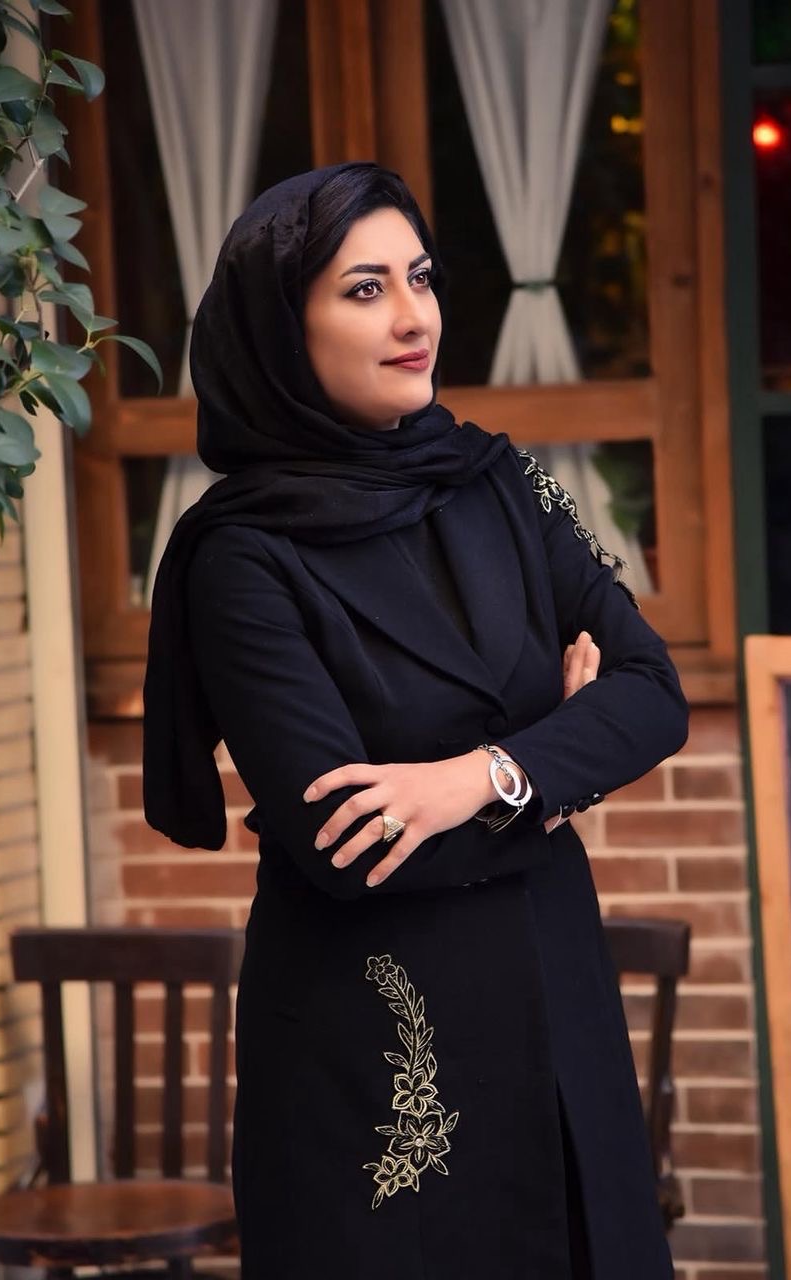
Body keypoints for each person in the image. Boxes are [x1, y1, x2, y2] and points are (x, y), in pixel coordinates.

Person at [143, 162, 688, 1280]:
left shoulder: (502, 482)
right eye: (365, 289)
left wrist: (476, 778)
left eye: (422, 278)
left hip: (557, 1010)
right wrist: (559, 766)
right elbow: (346, 844)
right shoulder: (241, 559)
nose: (413, 317)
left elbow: (652, 689)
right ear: (281, 329)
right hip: (382, 1065)